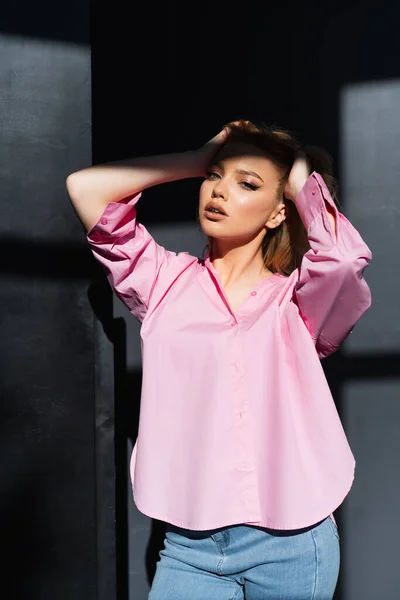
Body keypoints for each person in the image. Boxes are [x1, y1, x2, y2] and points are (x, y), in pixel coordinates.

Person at [66, 120, 372, 599]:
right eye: (216, 177)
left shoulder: (299, 301)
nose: (221, 191)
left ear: (278, 213)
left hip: (293, 543)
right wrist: (194, 160)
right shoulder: (162, 283)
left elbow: (343, 259)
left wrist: (296, 182)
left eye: (247, 184)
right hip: (192, 547)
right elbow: (85, 189)